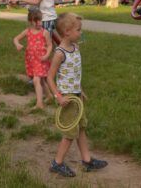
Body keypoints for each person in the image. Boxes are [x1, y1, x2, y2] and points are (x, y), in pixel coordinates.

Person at [47, 12, 108, 177]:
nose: (81, 32)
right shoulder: (60, 53)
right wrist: (58, 97)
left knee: (81, 128)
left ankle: (87, 160)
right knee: (69, 133)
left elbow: (74, 73)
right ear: (67, 32)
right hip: (67, 98)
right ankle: (57, 163)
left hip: (77, 96)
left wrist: (81, 90)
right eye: (78, 30)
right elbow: (49, 77)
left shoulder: (75, 48)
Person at [13, 9, 53, 109]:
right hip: (31, 60)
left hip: (41, 60)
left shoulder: (45, 32)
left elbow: (50, 45)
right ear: (30, 21)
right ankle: (49, 96)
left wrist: (47, 55)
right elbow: (16, 38)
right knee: (41, 80)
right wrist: (17, 44)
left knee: (36, 80)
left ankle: (39, 103)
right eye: (36, 21)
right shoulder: (28, 31)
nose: (39, 23)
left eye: (40, 20)